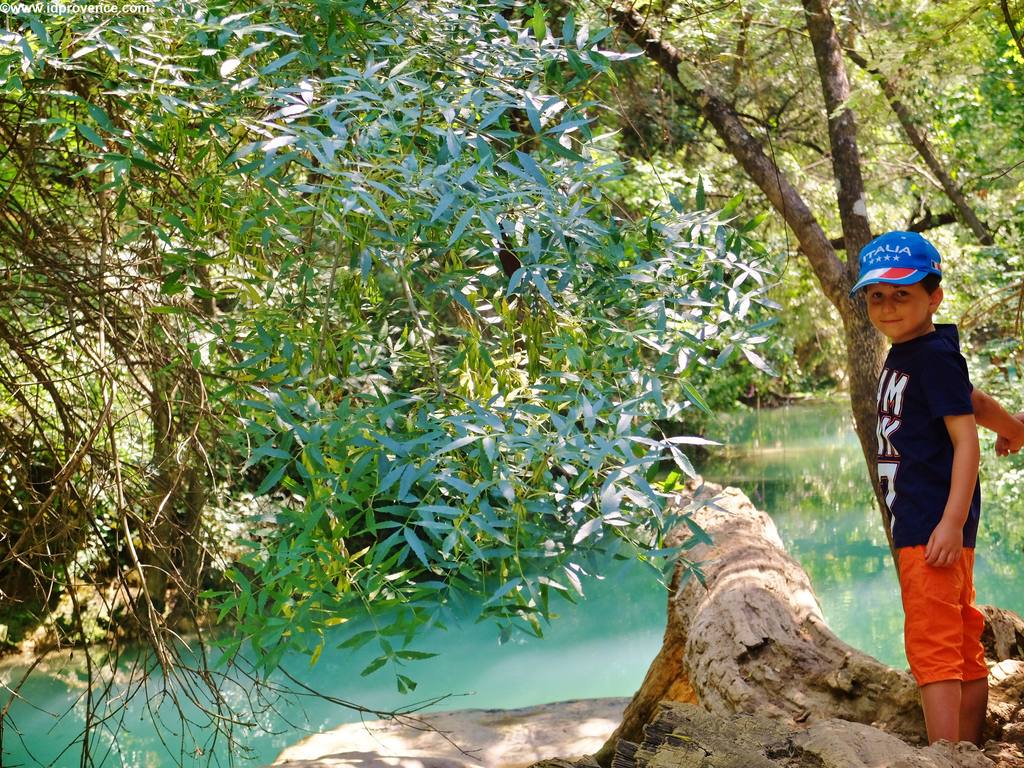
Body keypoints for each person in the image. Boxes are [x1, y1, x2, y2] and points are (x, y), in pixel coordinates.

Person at [850, 230, 1024, 746]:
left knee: (932, 644)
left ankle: (944, 756)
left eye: (902, 293)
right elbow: (968, 399)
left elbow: (964, 443)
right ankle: (964, 750)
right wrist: (1013, 428)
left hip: (932, 524)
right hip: (929, 521)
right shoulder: (916, 352)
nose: (886, 307)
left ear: (934, 296)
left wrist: (949, 522)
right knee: (960, 637)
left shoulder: (928, 355)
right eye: (876, 296)